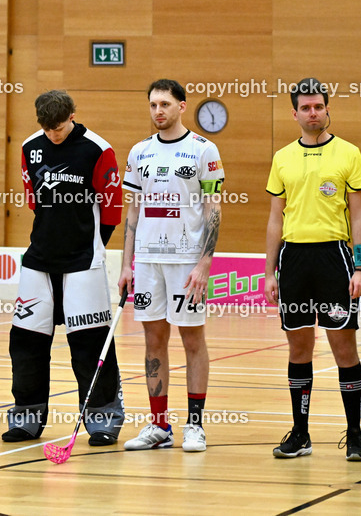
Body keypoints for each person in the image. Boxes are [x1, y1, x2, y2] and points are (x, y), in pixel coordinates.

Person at [2, 90, 124, 446]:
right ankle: (26, 419)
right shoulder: (29, 147)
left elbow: (112, 209)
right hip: (38, 259)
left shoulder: (98, 150)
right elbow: (34, 200)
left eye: (59, 128)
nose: (54, 135)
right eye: (48, 129)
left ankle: (103, 421)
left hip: (84, 262)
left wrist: (90, 244)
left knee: (89, 345)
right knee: (25, 343)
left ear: (73, 114)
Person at [265, 77, 361, 461]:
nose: (313, 113)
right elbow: (276, 218)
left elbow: (359, 215)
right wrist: (268, 271)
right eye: (305, 108)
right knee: (299, 349)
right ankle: (301, 433)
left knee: (344, 348)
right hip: (293, 260)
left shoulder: (349, 154)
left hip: (335, 260)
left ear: (328, 110)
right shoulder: (282, 158)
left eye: (318, 107)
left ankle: (355, 434)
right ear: (295, 114)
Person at [119, 79, 222, 452]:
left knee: (192, 339)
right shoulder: (139, 152)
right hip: (147, 262)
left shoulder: (203, 151)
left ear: (181, 106)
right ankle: (159, 425)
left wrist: (205, 263)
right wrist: (126, 264)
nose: (158, 111)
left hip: (185, 263)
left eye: (164, 104)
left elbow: (212, 209)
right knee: (153, 341)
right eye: (152, 105)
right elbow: (132, 210)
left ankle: (195, 425)